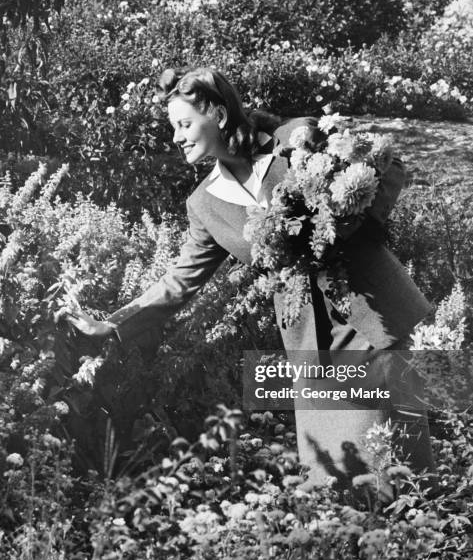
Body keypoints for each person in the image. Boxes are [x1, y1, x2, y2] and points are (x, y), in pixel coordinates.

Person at [67, 66, 435, 488]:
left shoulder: (295, 141)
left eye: (185, 124)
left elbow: (389, 166)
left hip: (372, 321)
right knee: (330, 478)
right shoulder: (204, 204)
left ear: (219, 116)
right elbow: (180, 279)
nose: (176, 137)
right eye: (173, 128)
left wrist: (353, 220)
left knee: (398, 471)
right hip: (310, 346)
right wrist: (114, 323)